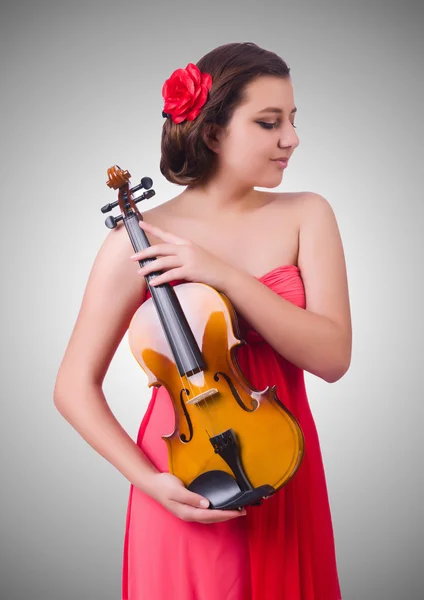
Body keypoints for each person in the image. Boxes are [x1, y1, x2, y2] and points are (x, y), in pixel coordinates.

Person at [54, 41, 351, 600]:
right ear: (213, 133)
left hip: (284, 459)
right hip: (185, 473)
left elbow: (333, 358)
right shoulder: (136, 241)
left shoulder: (308, 214)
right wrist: (150, 483)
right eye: (269, 122)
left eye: (292, 119)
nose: (291, 138)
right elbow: (72, 386)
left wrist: (224, 275)